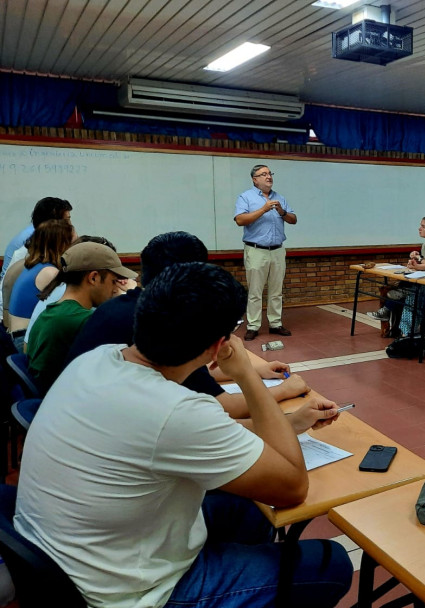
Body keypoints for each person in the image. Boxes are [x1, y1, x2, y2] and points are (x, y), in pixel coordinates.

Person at [14, 262, 352, 607]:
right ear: (218, 345)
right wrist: (247, 375)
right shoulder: (178, 410)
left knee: (245, 511)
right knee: (330, 562)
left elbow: (184, 439)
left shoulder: (97, 359)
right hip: (122, 594)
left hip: (63, 558)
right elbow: (292, 488)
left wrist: (291, 424)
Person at [66, 231, 309, 418]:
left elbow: (189, 373)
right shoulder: (165, 320)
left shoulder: (125, 307)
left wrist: (257, 371)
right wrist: (283, 390)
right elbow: (223, 407)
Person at [26, 241, 137, 394]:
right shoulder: (80, 319)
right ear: (93, 278)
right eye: (113, 281)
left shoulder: (53, 312)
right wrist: (134, 294)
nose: (115, 289)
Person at [234, 164, 296, 341]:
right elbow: (240, 220)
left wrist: (282, 211)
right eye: (264, 174)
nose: (268, 177)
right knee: (255, 291)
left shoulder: (280, 198)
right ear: (255, 179)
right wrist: (263, 209)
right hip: (256, 250)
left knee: (276, 291)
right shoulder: (245, 197)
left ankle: (275, 324)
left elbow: (293, 219)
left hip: (277, 250)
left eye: (270, 173)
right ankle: (253, 326)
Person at [6, 219, 76, 350]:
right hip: (25, 340)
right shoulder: (50, 272)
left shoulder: (34, 266)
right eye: (73, 243)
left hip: (16, 336)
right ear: (61, 245)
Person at [0, 196, 73, 316]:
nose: (70, 226)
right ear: (54, 227)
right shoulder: (31, 248)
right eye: (66, 221)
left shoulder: (39, 245)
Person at [367, 216, 425, 323]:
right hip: (424, 278)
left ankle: (389, 309)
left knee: (406, 289)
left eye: (423, 226)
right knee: (401, 283)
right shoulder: (424, 245)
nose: (419, 229)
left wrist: (419, 259)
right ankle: (390, 311)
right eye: (420, 226)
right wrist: (414, 264)